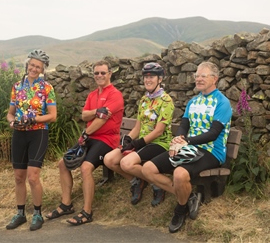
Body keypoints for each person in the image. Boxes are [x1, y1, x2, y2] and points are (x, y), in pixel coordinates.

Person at [142, 61, 232, 233]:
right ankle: (189, 196)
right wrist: (178, 139)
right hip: (188, 147)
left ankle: (180, 209)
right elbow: (184, 125)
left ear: (215, 79)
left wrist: (187, 142)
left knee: (180, 173)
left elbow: (214, 133)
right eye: (196, 75)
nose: (198, 79)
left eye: (202, 76)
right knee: (148, 169)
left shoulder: (222, 102)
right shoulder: (193, 101)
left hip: (211, 150)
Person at [46, 60, 124, 226]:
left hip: (107, 140)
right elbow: (84, 115)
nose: (99, 76)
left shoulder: (115, 95)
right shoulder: (92, 95)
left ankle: (87, 212)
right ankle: (66, 204)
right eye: (96, 73)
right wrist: (96, 112)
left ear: (110, 74)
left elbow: (102, 120)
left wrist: (86, 132)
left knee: (85, 167)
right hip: (90, 138)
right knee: (62, 164)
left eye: (103, 73)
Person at [104, 62, 174, 206]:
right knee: (109, 160)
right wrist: (128, 139)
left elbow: (159, 130)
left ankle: (157, 185)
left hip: (159, 143)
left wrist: (137, 143)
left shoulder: (166, 101)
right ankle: (136, 181)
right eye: (146, 77)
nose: (148, 80)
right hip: (142, 142)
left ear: (160, 79)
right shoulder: (144, 100)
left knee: (126, 163)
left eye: (152, 77)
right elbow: (138, 127)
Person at [6, 49, 57, 231]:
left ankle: (37, 213)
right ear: (27, 64)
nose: (34, 68)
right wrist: (13, 124)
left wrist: (33, 119)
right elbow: (10, 114)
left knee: (33, 177)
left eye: (38, 66)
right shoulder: (17, 87)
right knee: (19, 177)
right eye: (32, 65)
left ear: (42, 69)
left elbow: (53, 116)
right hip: (19, 133)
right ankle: (20, 213)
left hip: (38, 133)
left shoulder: (47, 88)